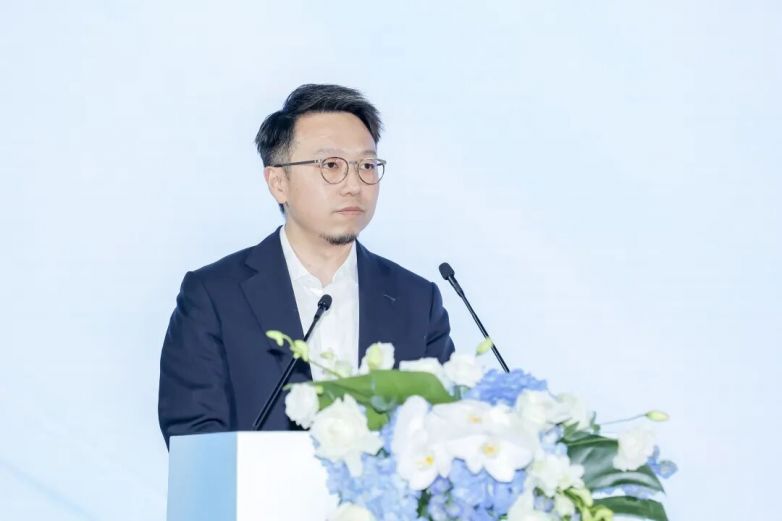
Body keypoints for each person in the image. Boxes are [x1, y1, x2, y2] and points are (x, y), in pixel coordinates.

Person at [158, 84, 455, 447]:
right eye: (331, 166)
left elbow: (444, 429)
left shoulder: (416, 301)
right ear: (278, 183)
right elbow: (193, 439)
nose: (353, 185)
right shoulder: (214, 296)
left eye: (366, 166)